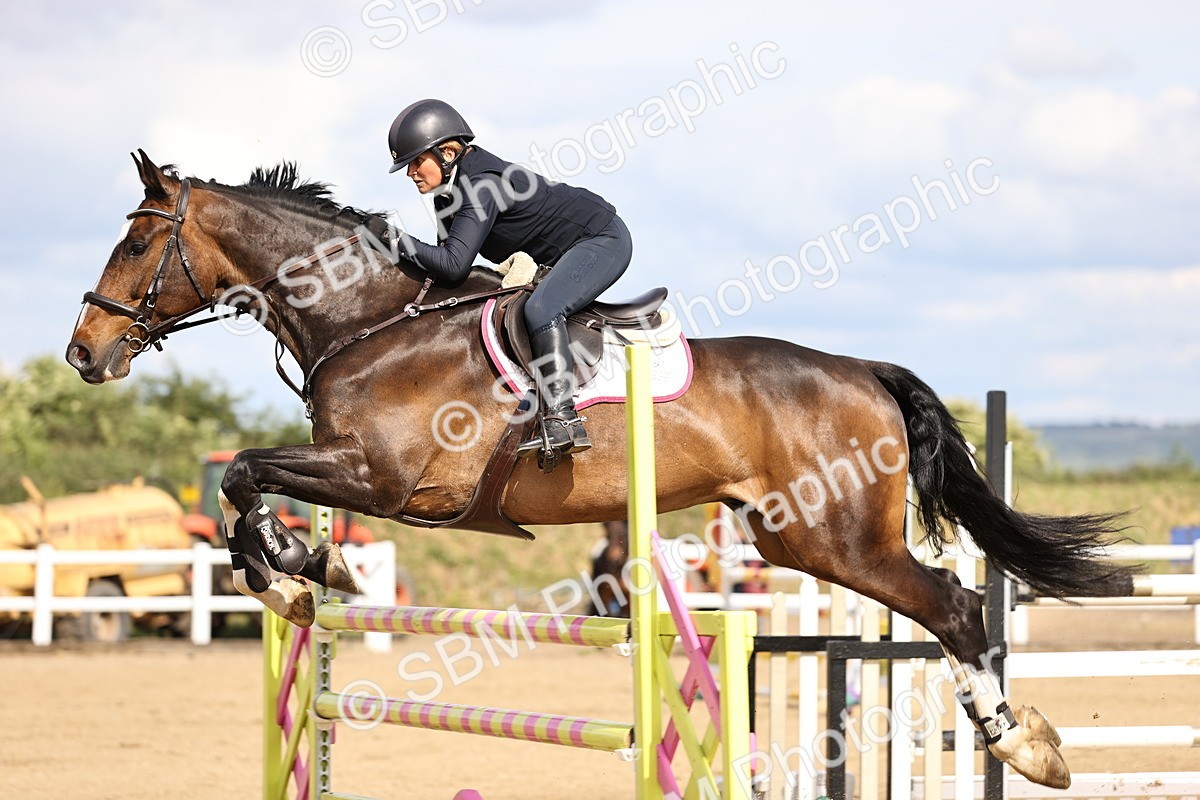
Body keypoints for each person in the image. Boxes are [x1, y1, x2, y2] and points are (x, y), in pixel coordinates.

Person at [386, 99, 633, 467]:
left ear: (448, 152)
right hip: (566, 251)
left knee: (542, 308)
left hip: (601, 239)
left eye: (416, 162)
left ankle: (564, 419)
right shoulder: (446, 199)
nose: (411, 173)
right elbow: (444, 274)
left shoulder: (482, 186)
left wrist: (392, 239)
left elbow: (454, 265)